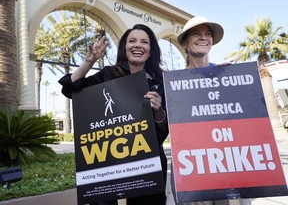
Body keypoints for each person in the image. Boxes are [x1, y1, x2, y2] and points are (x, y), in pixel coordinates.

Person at [59, 24, 168, 205]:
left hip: (149, 164)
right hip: (107, 161)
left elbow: (163, 133)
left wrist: (158, 111)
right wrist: (89, 61)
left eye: (144, 42)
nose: (138, 45)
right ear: (125, 48)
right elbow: (70, 89)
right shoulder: (108, 74)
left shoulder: (161, 82)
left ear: (151, 51)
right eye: (132, 41)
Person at [171, 16, 251, 205]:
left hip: (229, 162)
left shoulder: (227, 75)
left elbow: (246, 116)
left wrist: (231, 85)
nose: (203, 38)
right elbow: (170, 124)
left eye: (207, 34)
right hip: (191, 166)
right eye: (196, 33)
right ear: (184, 42)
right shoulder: (173, 82)